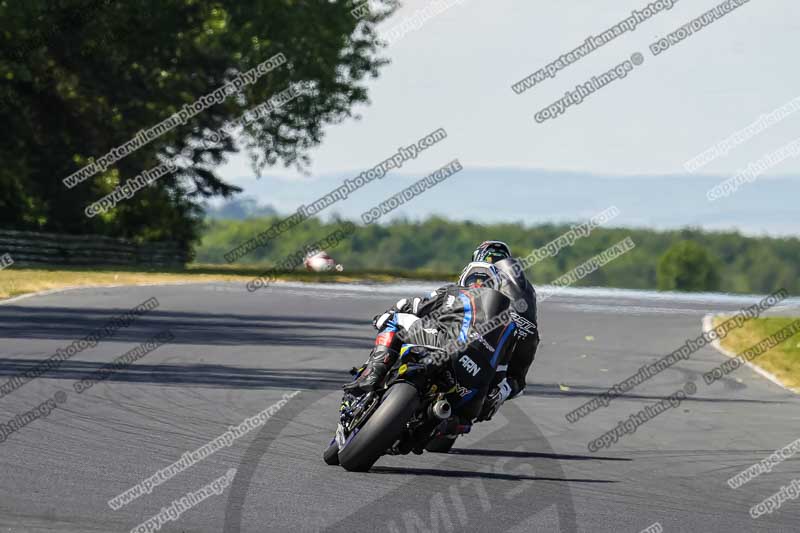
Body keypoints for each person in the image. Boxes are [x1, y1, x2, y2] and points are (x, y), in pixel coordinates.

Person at [343, 261, 525, 424]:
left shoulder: (453, 292)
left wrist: (383, 316)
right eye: (476, 281)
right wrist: (490, 397)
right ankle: (433, 421)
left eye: (481, 282)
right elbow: (501, 368)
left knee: (395, 320)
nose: (477, 285)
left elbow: (411, 305)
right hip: (472, 383)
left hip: (442, 346)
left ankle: (372, 372)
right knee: (459, 420)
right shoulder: (509, 324)